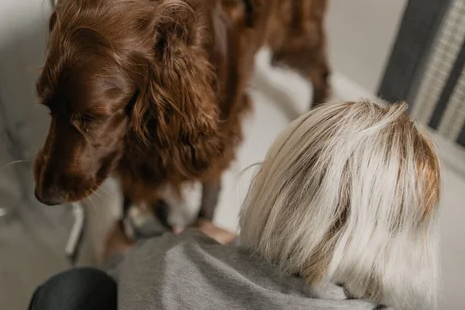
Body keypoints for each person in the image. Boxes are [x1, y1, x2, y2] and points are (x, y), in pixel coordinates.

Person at [29, 100, 441, 310]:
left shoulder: (167, 261)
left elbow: (124, 267)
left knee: (73, 290)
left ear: (272, 185)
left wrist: (197, 247)